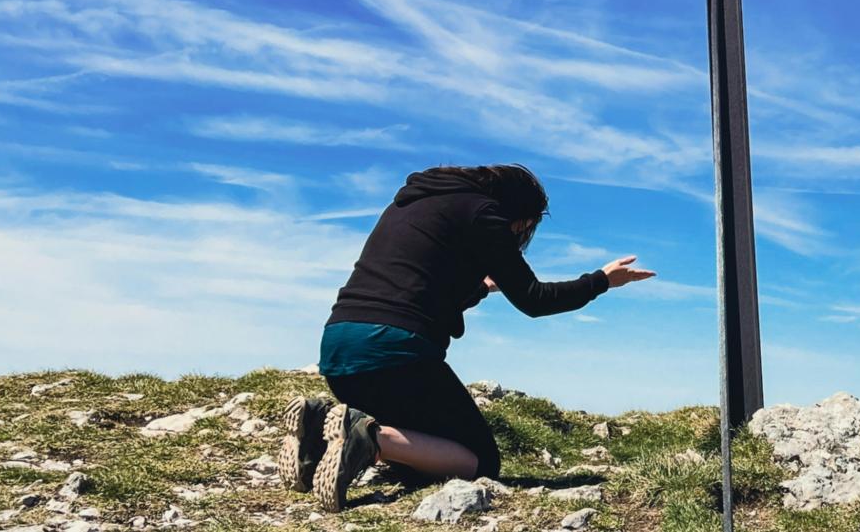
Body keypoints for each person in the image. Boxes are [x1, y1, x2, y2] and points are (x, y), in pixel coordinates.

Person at [275, 164, 654, 511]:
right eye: (523, 228)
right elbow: (535, 300)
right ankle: (369, 439)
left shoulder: (411, 204)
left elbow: (415, 287)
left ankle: (319, 430)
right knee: (478, 460)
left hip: (340, 349)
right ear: (519, 216)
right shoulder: (483, 214)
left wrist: (480, 288)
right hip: (396, 352)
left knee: (424, 455)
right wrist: (602, 281)